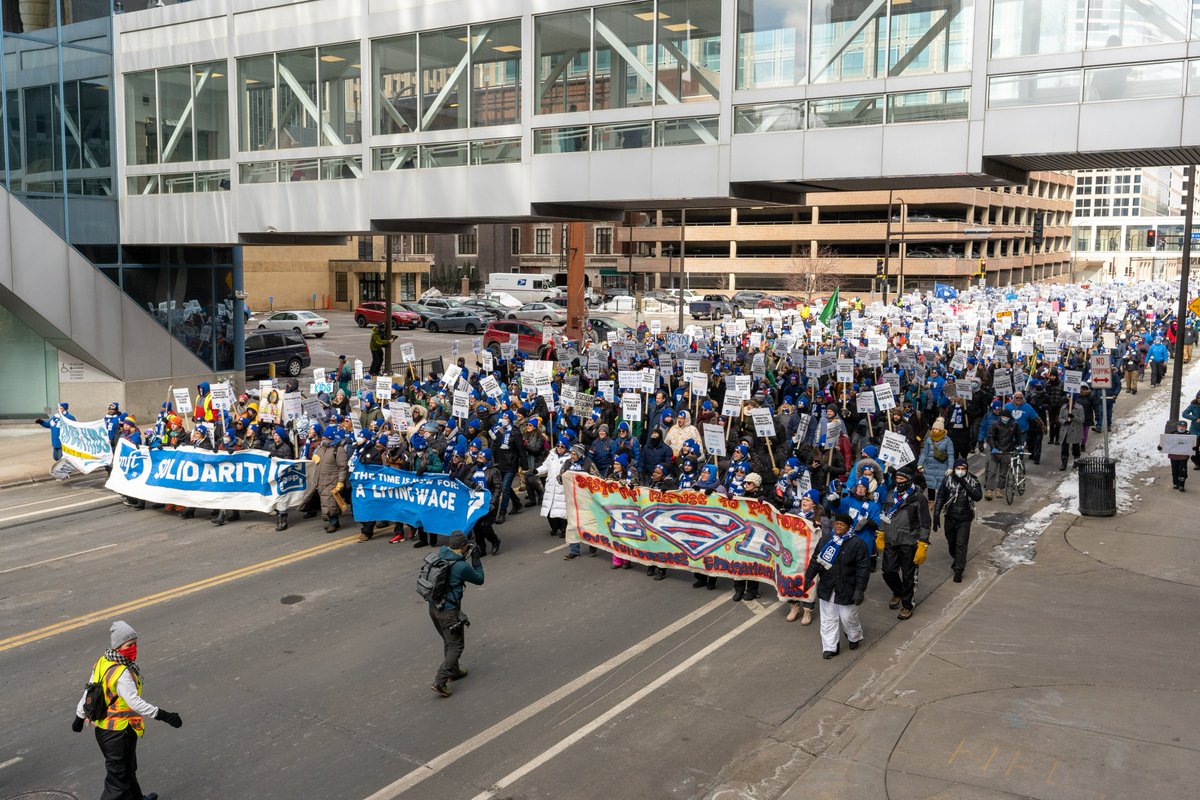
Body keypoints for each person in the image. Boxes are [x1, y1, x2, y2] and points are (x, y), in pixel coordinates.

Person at [72, 621, 183, 800]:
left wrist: (79, 715)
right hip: (117, 733)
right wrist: (164, 715)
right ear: (118, 646)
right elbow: (134, 702)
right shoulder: (122, 672)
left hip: (106, 731)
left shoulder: (104, 661)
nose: (134, 648)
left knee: (128, 769)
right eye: (129, 645)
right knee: (117, 782)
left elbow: (89, 691)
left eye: (135, 643)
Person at [804, 513, 871, 659]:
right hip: (827, 585)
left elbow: (863, 569)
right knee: (828, 618)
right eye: (837, 523)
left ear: (849, 527)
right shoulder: (826, 539)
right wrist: (809, 576)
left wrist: (860, 589)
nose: (838, 526)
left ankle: (854, 636)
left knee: (848, 617)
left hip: (847, 587)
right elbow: (816, 559)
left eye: (842, 524)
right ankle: (830, 647)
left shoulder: (857, 544)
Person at [428, 532, 485, 698]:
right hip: (449, 612)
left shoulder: (441, 555)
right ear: (464, 546)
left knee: (448, 640)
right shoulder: (461, 566)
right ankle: (440, 681)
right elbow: (479, 579)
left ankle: (454, 670)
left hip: (433, 609)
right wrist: (475, 558)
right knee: (456, 646)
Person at [877, 468, 931, 620]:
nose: (898, 482)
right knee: (888, 571)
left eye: (902, 479)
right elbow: (884, 515)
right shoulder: (890, 495)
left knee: (909, 576)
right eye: (897, 479)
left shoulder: (918, 498)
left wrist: (923, 544)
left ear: (909, 481)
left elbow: (925, 523)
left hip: (910, 543)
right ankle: (898, 591)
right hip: (891, 541)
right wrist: (881, 533)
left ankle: (907, 606)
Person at [932, 458, 983, 582]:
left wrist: (964, 483)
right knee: (952, 542)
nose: (960, 471)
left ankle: (959, 570)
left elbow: (977, 496)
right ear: (954, 469)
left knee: (961, 544)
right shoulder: (947, 480)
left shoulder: (973, 481)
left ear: (966, 470)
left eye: (963, 469)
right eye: (958, 469)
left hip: (965, 518)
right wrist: (936, 515)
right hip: (950, 516)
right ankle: (957, 558)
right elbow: (940, 497)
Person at [1159, 420, 1192, 491]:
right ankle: (1175, 483)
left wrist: (1193, 447)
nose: (1182, 428)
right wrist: (1160, 446)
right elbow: (1166, 442)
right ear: (1177, 426)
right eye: (1180, 426)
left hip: (1183, 456)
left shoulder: (1189, 435)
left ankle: (1181, 485)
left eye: (1183, 426)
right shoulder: (1172, 433)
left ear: (1186, 427)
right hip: (1173, 456)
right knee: (1174, 471)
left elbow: (1192, 444)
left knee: (1182, 471)